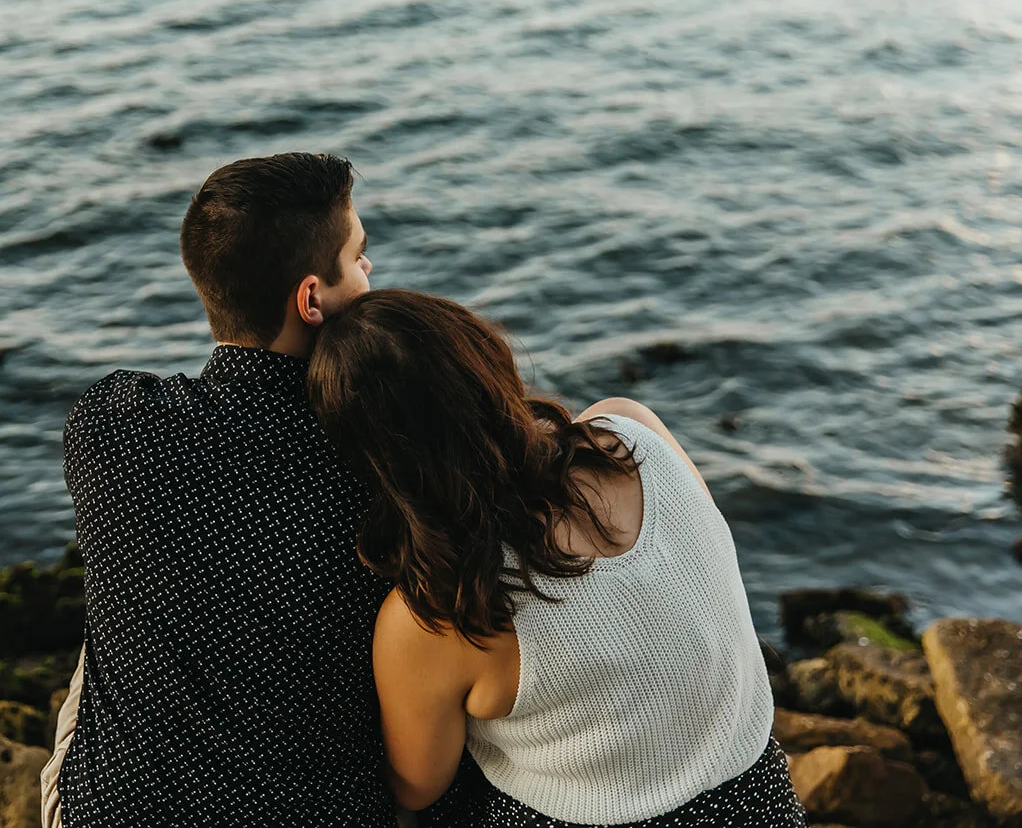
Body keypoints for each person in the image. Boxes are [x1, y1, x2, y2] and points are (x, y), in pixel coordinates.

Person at [307, 289, 807, 828]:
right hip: (761, 800)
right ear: (489, 362)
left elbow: (418, 787)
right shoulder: (631, 430)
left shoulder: (443, 612)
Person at [43, 152, 397, 827]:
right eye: (358, 257)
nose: (371, 272)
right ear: (311, 299)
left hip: (111, 811)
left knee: (100, 649)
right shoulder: (379, 461)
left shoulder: (103, 425)